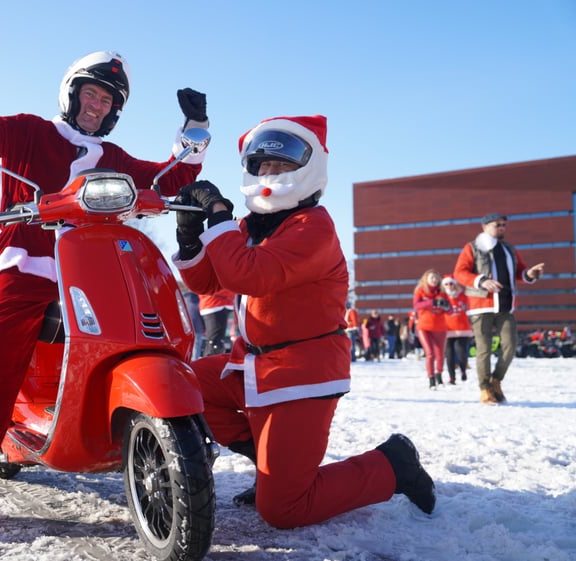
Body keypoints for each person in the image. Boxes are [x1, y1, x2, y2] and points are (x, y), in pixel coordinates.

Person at [0, 21, 208, 526]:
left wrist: (193, 132)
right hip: (29, 262)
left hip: (97, 267)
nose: (97, 105)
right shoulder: (29, 132)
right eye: (91, 93)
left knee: (148, 326)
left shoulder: (116, 159)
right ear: (71, 92)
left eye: (108, 101)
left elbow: (174, 176)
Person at [173, 115, 434, 528]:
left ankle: (393, 465)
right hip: (254, 365)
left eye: (282, 166)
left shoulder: (314, 225)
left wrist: (219, 215)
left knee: (283, 509)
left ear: (308, 169)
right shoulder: (252, 225)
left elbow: (249, 276)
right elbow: (208, 279)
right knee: (181, 382)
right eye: (263, 166)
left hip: (300, 373)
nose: (270, 174)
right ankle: (272, 465)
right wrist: (189, 234)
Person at [453, 213, 544, 404]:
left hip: (506, 306)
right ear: (485, 226)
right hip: (481, 306)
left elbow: (520, 271)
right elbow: (460, 273)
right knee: (484, 349)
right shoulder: (472, 248)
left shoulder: (509, 248)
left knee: (510, 346)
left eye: (504, 225)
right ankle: (485, 389)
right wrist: (481, 281)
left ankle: (496, 381)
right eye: (497, 225)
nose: (502, 228)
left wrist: (530, 274)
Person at [412, 269, 449, 390]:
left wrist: (447, 306)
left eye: (436, 278)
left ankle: (439, 374)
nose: (434, 280)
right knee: (430, 353)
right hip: (424, 327)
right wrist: (432, 302)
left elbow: (450, 309)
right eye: (432, 277)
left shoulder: (443, 292)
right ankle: (431, 379)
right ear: (426, 279)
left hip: (440, 327)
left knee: (440, 355)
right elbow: (417, 305)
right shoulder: (420, 291)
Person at [441, 276, 472, 384]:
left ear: (455, 284)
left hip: (462, 328)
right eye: (446, 284)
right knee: (449, 355)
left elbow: (470, 308)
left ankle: (463, 370)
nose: (449, 286)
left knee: (461, 352)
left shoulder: (463, 296)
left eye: (451, 283)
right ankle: (452, 377)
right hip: (447, 329)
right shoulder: (442, 297)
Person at [198, 288, 235, 357]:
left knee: (216, 340)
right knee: (215, 342)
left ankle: (211, 362)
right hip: (215, 303)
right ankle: (210, 364)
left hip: (221, 302)